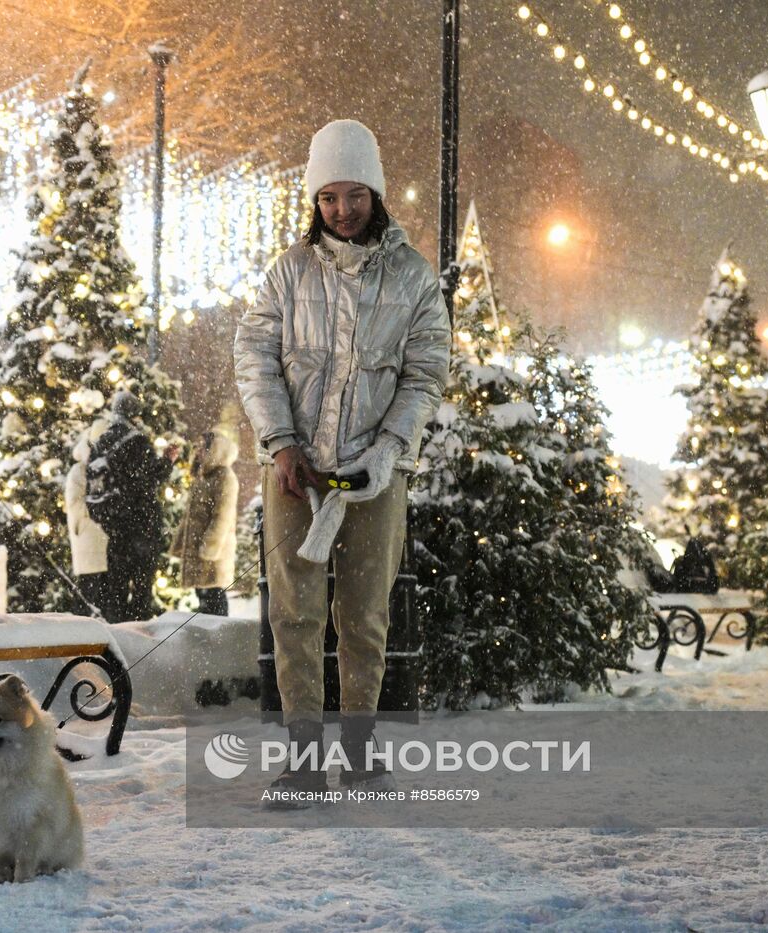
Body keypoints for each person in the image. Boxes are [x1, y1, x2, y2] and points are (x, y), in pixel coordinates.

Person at [234, 119, 451, 797]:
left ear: (375, 192)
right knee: (293, 614)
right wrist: (279, 442)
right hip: (296, 474)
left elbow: (426, 372)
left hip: (374, 478)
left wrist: (388, 451)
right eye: (328, 197)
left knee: (364, 614)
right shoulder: (287, 274)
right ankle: (303, 757)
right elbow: (255, 358)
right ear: (314, 199)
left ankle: (359, 751)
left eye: (353, 194)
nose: (341, 210)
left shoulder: (414, 279)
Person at [85, 390, 177, 623]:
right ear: (134, 414)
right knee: (141, 585)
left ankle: (116, 631)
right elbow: (148, 479)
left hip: (114, 526)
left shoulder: (101, 443)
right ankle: (137, 635)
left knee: (116, 583)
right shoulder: (136, 441)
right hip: (141, 525)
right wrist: (167, 461)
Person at [169, 429, 240, 616]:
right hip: (198, 552)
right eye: (197, 446)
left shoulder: (224, 477)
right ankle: (211, 640)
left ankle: (220, 641)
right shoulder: (202, 477)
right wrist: (180, 545)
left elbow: (222, 517)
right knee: (204, 599)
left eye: (203, 446)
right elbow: (190, 517)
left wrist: (209, 548)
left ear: (214, 449)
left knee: (214, 599)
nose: (198, 450)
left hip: (212, 555)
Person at [64, 421, 110, 618]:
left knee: (105, 598)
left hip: (106, 542)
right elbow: (75, 503)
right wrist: (99, 514)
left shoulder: (108, 468)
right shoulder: (79, 470)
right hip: (88, 539)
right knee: (88, 596)